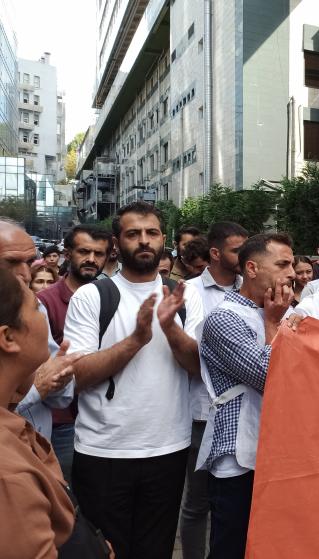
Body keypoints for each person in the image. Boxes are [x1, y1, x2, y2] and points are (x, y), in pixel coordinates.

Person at [63, 201, 203, 559]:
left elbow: (197, 367)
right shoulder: (92, 296)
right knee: (106, 550)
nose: (144, 240)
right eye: (133, 233)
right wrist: (136, 339)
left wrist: (170, 328)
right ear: (116, 243)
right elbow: (77, 376)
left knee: (155, 550)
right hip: (103, 451)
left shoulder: (185, 296)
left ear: (163, 239)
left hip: (168, 449)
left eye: (152, 233)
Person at [198, 233, 296, 558]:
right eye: (282, 264)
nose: (291, 273)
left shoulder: (287, 313)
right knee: (233, 546)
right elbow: (269, 377)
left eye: (292, 264)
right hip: (238, 459)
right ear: (252, 269)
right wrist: (273, 324)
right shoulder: (223, 318)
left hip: (280, 453)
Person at [181, 221, 248, 559]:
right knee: (198, 501)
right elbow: (193, 352)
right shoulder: (190, 291)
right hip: (203, 411)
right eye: (237, 251)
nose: (245, 257)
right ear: (215, 253)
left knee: (237, 500)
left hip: (245, 414)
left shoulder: (250, 288)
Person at [0, 267, 77, 556]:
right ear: (8, 338)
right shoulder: (10, 477)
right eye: (36, 307)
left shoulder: (14, 428)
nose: (44, 314)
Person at [37, 224, 111, 484]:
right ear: (67, 254)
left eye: (98, 253)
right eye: (84, 251)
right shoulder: (45, 302)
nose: (91, 259)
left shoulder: (112, 298)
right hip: (62, 420)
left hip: (105, 417)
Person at [0, 219, 74, 441]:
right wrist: (36, 390)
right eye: (11, 262)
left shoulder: (35, 306)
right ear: (6, 337)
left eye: (30, 261)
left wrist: (60, 378)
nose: (25, 274)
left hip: (39, 445)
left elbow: (60, 397)